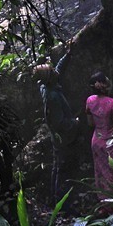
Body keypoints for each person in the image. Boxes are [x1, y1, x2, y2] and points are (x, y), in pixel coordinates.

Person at [33, 55, 79, 205]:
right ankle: (63, 204)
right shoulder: (52, 95)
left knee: (57, 167)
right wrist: (75, 122)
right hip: (62, 138)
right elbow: (60, 123)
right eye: (52, 71)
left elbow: (58, 70)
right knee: (62, 169)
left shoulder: (45, 86)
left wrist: (67, 54)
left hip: (57, 137)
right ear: (50, 78)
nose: (55, 71)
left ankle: (55, 200)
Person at [83, 71, 113, 212]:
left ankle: (104, 203)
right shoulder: (112, 103)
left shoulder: (89, 100)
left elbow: (90, 123)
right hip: (109, 141)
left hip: (96, 140)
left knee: (100, 172)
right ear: (104, 84)